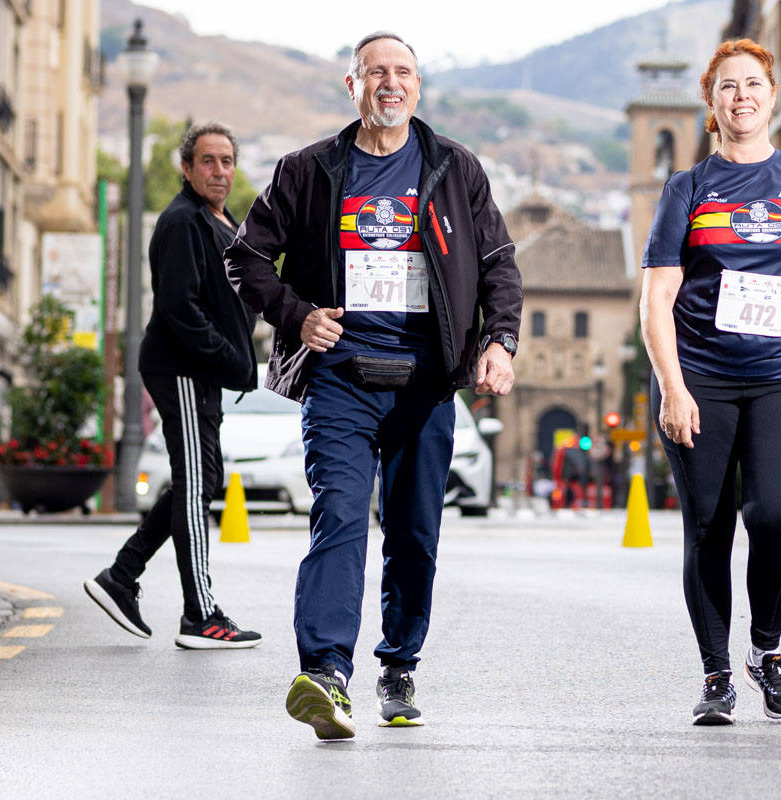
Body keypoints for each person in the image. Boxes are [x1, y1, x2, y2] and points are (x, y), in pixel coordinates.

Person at [224, 31, 522, 740]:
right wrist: (297, 316)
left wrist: (499, 343)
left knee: (415, 534)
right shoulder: (309, 170)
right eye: (376, 73)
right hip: (341, 382)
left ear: (418, 87)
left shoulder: (454, 167)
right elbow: (247, 257)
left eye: (404, 73)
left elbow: (499, 264)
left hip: (426, 382)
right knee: (341, 519)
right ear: (351, 86)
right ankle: (326, 671)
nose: (391, 84)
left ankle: (398, 664)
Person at [640, 38, 781, 726]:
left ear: (771, 95)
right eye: (727, 88)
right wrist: (672, 388)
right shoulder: (688, 188)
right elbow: (656, 299)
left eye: (752, 84)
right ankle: (715, 674)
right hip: (702, 377)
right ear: (712, 106)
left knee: (775, 515)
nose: (741, 96)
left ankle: (766, 650)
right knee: (708, 525)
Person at [84, 122, 261, 649]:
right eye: (207, 161)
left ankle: (122, 575)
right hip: (182, 369)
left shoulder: (220, 219)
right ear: (187, 168)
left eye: (227, 161)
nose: (219, 171)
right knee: (195, 485)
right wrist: (230, 358)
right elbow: (180, 309)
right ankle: (200, 614)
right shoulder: (183, 222)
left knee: (201, 480)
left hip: (202, 372)